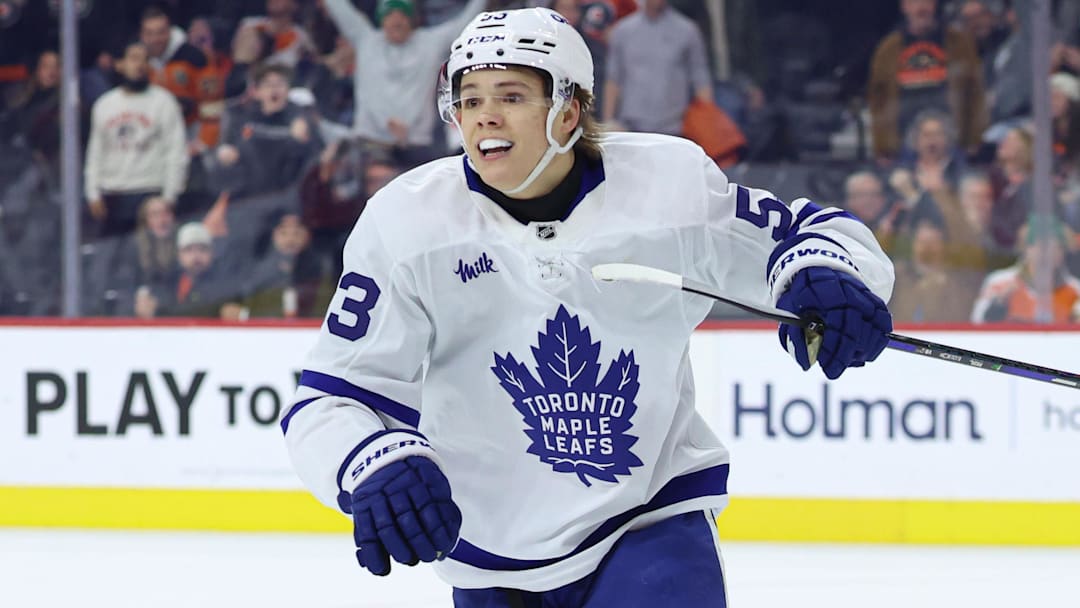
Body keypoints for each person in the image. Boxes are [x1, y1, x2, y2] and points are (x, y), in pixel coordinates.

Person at [280, 8, 894, 606]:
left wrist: (828, 272)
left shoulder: (667, 186)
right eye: (469, 100)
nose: (484, 116)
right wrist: (369, 462)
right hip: (487, 549)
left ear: (568, 111)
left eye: (511, 96)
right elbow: (330, 398)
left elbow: (809, 233)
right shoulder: (407, 221)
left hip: (648, 518)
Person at [322, 0, 486, 167]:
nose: (396, 21)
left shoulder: (431, 43)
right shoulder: (366, 40)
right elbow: (339, 8)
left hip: (416, 148)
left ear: (412, 20)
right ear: (381, 20)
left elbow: (466, 23)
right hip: (370, 146)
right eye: (390, 15)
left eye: (402, 15)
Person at [84, 42, 189, 238]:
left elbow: (176, 152)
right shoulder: (104, 105)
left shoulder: (164, 102)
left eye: (144, 59)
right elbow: (95, 153)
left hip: (151, 192)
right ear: (120, 64)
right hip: (113, 195)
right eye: (133, 58)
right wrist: (93, 193)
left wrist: (170, 196)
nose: (139, 65)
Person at [867, 0, 986, 162]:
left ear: (934, 5)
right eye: (915, 2)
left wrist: (974, 138)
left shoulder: (959, 43)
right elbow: (879, 102)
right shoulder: (888, 49)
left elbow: (975, 92)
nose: (921, 7)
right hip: (904, 143)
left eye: (926, 2)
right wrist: (882, 146)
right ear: (904, 6)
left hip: (952, 139)